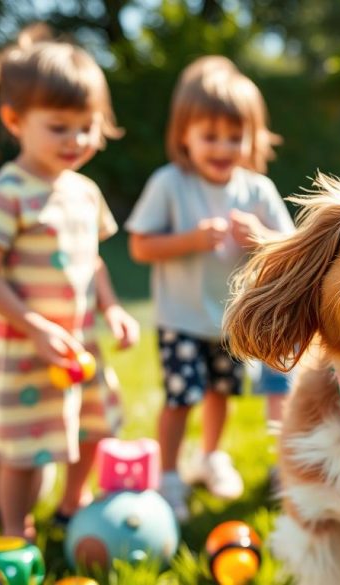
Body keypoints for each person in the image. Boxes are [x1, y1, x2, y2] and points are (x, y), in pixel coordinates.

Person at [0, 24, 140, 539]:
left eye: (87, 127)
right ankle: (16, 535)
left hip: (78, 345)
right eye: (60, 127)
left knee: (94, 429)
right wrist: (34, 325)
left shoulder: (85, 192)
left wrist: (112, 308)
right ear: (15, 120)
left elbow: (92, 261)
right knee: (21, 452)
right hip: (23, 349)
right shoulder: (2, 193)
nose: (77, 140)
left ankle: (71, 505)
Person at [126, 56, 294, 521]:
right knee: (181, 398)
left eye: (234, 137)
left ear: (253, 138)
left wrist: (256, 236)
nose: (222, 147)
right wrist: (191, 240)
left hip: (229, 323)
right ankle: (168, 476)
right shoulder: (169, 184)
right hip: (180, 319)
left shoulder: (257, 189)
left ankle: (211, 458)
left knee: (221, 394)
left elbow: (287, 247)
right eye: (209, 136)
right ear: (184, 135)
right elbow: (140, 246)